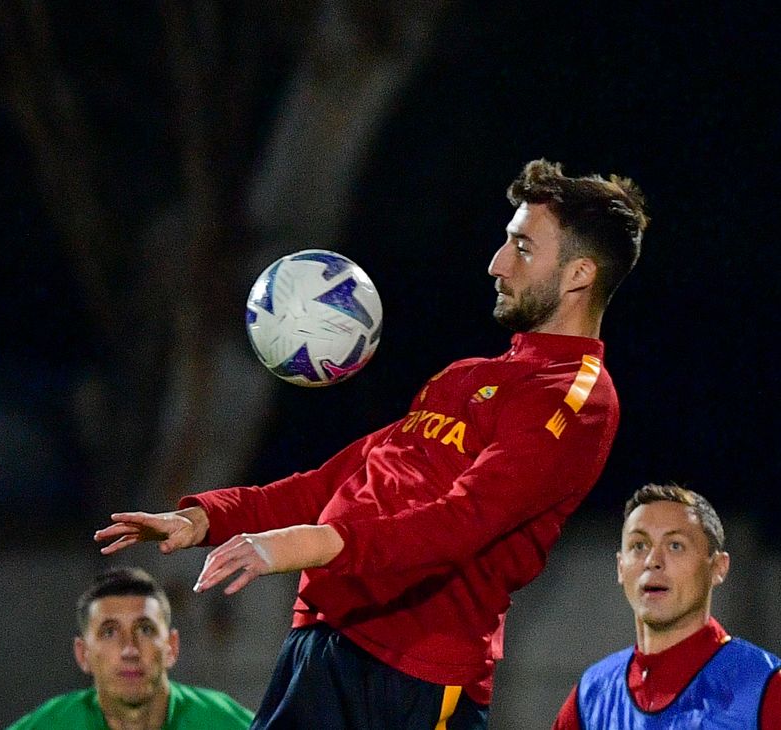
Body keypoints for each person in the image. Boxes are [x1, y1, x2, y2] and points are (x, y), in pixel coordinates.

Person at [94, 158, 649, 729]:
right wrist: (207, 518)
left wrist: (300, 545)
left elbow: (462, 523)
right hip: (321, 641)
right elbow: (338, 480)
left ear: (580, 274)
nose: (497, 264)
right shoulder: (464, 375)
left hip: (413, 677)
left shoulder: (574, 398)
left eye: (524, 248)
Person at [552, 484, 781, 729]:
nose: (653, 561)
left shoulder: (767, 687)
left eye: (675, 545)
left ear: (718, 568)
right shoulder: (591, 696)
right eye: (639, 545)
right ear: (620, 567)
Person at [6, 566, 254, 730]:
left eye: (145, 629)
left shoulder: (225, 723)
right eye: (109, 632)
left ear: (171, 647)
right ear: (84, 655)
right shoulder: (51, 725)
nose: (130, 649)